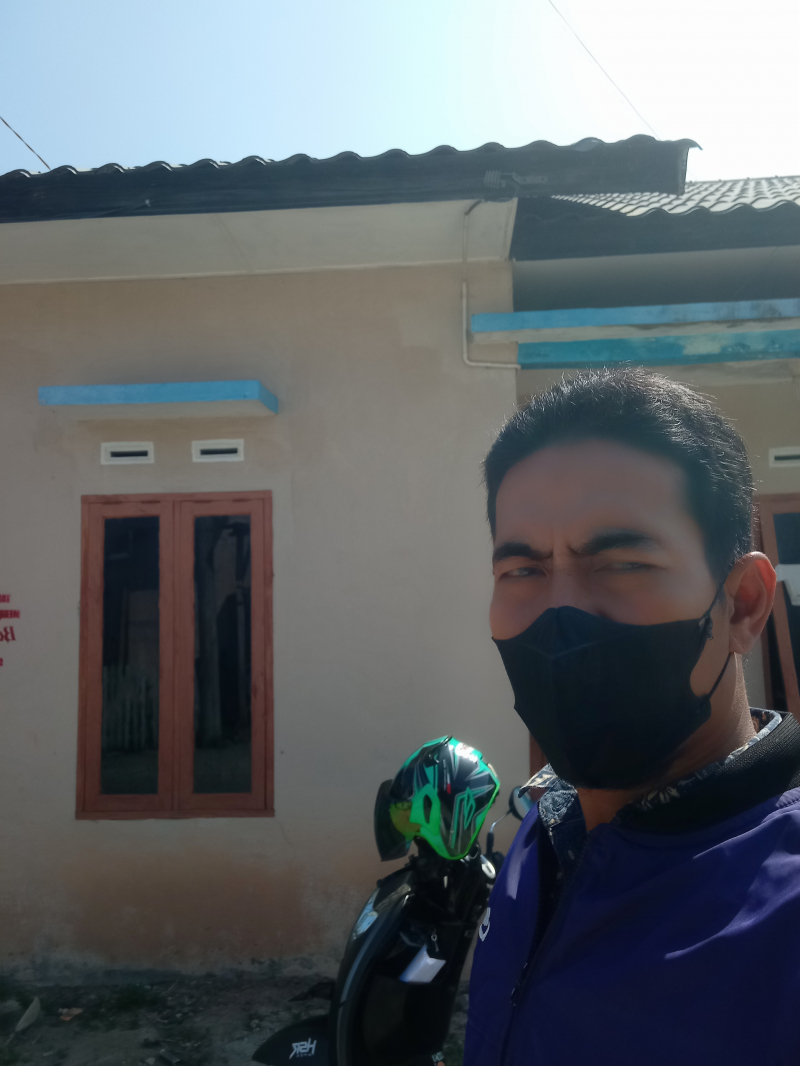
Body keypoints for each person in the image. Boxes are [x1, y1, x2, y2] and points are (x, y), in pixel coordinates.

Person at [464, 367, 800, 1066]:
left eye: (620, 563)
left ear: (743, 604)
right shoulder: (543, 834)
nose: (560, 614)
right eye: (522, 570)